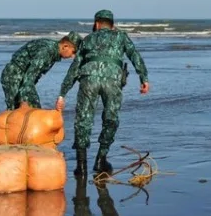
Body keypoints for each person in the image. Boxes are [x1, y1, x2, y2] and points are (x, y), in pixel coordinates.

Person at [58, 9, 150, 176]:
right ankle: (101, 159)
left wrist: (62, 93)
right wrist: (144, 78)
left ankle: (81, 166)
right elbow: (134, 56)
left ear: (97, 24)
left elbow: (74, 68)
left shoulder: (88, 39)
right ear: (112, 25)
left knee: (83, 119)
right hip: (112, 81)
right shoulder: (121, 36)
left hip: (89, 79)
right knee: (110, 119)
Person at [0, 31, 82, 110]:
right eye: (73, 52)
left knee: (24, 111)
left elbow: (33, 76)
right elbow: (29, 79)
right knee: (16, 110)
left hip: (21, 76)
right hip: (13, 75)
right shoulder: (47, 51)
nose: (73, 56)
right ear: (65, 46)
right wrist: (33, 104)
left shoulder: (53, 51)